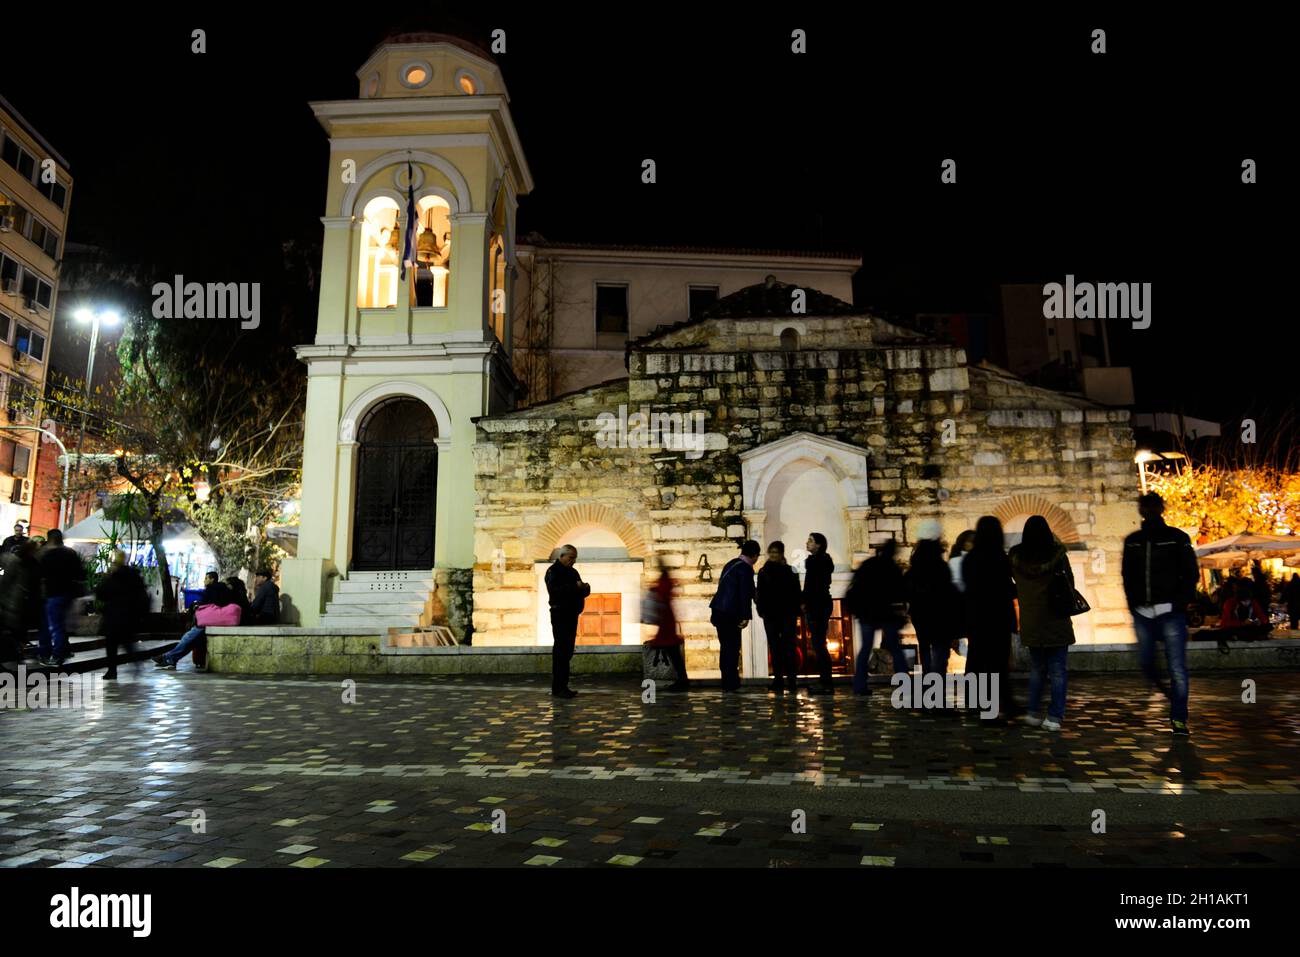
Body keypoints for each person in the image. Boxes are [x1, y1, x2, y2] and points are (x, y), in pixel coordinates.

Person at [1121, 492, 1200, 736]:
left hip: (1169, 611)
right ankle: (1172, 696)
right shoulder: (1134, 541)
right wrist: (1134, 604)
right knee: (1147, 663)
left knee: (1177, 667)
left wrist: (1179, 603)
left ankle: (1178, 718)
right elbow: (1127, 574)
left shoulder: (1176, 538)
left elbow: (1190, 573)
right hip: (1143, 612)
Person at [1009, 515, 1076, 730]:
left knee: (1037, 669)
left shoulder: (1016, 557)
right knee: (1058, 670)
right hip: (1056, 619)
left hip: (1032, 620)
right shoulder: (1057, 555)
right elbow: (1069, 583)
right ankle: (1055, 717)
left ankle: (1032, 712)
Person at [962, 516, 1018, 719]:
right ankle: (998, 702)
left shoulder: (970, 559)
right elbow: (1007, 589)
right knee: (997, 662)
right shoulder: (999, 558)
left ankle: (975, 700)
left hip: (976, 616)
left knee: (976, 658)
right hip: (998, 616)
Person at [846, 538, 907, 696]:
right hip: (885, 613)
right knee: (895, 648)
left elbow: (855, 584)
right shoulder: (893, 568)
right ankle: (904, 684)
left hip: (866, 613)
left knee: (865, 648)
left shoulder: (869, 564)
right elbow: (900, 592)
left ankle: (859, 685)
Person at [905, 520, 961, 678]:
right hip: (939, 612)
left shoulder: (915, 566)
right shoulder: (941, 567)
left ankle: (928, 678)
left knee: (924, 646)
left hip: (919, 612)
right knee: (939, 647)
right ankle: (936, 680)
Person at [709, 540, 760, 692]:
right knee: (732, 648)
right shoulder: (745, 569)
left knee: (725, 648)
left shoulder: (731, 564)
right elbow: (745, 593)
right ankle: (732, 684)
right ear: (755, 555)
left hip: (719, 611)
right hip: (730, 614)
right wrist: (746, 616)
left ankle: (727, 682)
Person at [95, 551, 150, 680]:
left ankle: (112, 670)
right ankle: (136, 663)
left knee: (111, 644)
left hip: (113, 615)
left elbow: (101, 593)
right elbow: (143, 596)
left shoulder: (114, 577)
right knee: (127, 643)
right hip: (130, 615)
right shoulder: (134, 575)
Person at [756, 541, 802, 694]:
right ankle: (779, 680)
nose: (774, 555)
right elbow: (760, 594)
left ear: (782, 553)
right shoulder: (764, 572)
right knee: (775, 648)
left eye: (776, 552)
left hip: (786, 614)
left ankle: (791, 679)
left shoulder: (789, 571)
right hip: (771, 614)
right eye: (772, 552)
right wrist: (761, 610)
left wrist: (796, 611)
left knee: (788, 647)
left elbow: (797, 593)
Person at [545, 545, 590, 698]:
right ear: (562, 556)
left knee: (568, 650)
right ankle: (558, 687)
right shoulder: (553, 571)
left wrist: (585, 588)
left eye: (574, 558)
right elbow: (555, 591)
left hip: (571, 614)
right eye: (571, 558)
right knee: (561, 650)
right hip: (560, 614)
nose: (573, 561)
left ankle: (563, 685)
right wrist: (574, 587)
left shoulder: (572, 572)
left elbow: (581, 590)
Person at [37, 529, 86, 667]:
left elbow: (40, 575)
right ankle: (61, 652)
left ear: (50, 539)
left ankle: (54, 655)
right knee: (60, 625)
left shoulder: (47, 555)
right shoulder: (71, 554)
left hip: (52, 594)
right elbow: (81, 575)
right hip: (68, 595)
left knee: (52, 626)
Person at [644, 559, 688, 692]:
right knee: (672, 651)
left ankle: (682, 680)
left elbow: (662, 594)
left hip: (666, 620)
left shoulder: (664, 581)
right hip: (666, 619)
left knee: (672, 650)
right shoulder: (665, 580)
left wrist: (654, 590)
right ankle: (682, 679)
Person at [801, 532, 835, 693]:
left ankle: (826, 682)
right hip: (820, 604)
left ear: (819, 545)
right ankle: (825, 681)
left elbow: (812, 586)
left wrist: (805, 602)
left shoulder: (817, 562)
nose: (807, 543)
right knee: (819, 643)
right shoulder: (819, 561)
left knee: (819, 644)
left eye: (811, 541)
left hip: (817, 605)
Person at [0, 540, 40, 667]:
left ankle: (17, 654)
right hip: (14, 602)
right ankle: (14, 654)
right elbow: (6, 582)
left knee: (19, 631)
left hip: (23, 602)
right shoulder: (16, 561)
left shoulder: (32, 562)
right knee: (14, 630)